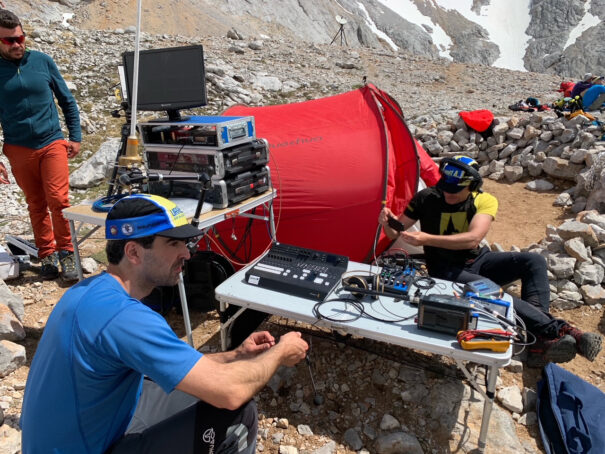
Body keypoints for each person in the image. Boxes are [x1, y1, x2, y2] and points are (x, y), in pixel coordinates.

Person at [20, 194, 309, 453]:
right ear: (133, 252)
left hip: (72, 437)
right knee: (236, 414)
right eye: (173, 243)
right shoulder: (125, 318)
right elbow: (231, 392)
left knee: (175, 382)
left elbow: (182, 367)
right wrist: (280, 352)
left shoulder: (88, 293)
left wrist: (236, 356)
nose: (186, 253)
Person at [378, 155, 603, 368]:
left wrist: (426, 239)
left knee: (533, 261)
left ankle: (537, 338)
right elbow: (395, 233)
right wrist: (387, 222)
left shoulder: (484, 200)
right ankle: (559, 331)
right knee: (494, 293)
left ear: (473, 187)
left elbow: (472, 239)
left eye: (456, 191)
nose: (448, 194)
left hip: (478, 259)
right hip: (445, 269)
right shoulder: (426, 197)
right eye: (445, 187)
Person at [0, 9, 81, 281]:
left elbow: (67, 100)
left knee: (58, 200)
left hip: (51, 142)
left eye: (20, 37)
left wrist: (76, 137)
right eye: (9, 40)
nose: (17, 44)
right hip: (18, 148)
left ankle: (67, 253)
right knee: (35, 203)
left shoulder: (42, 61)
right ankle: (47, 254)